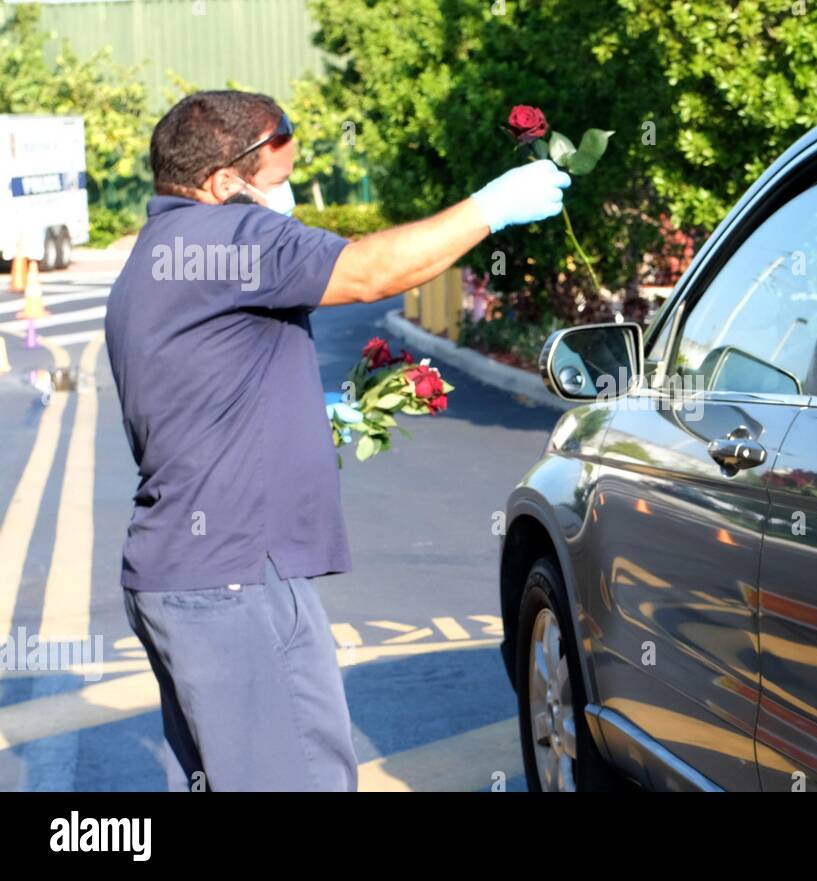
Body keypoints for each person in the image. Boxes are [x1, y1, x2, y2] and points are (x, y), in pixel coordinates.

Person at [104, 90, 570, 792]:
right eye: (279, 168)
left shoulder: (152, 258)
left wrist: (300, 417)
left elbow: (191, 396)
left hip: (180, 576)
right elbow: (370, 270)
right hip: (236, 579)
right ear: (222, 182)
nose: (288, 185)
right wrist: (491, 206)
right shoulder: (231, 237)